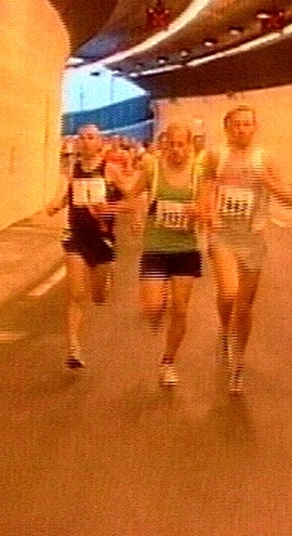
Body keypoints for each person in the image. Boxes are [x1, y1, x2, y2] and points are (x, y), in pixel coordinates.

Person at [198, 105, 292, 394]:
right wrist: (208, 214)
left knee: (245, 306)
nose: (242, 130)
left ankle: (238, 360)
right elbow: (204, 190)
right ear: (227, 128)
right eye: (236, 125)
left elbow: (289, 198)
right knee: (229, 292)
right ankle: (225, 330)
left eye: (247, 124)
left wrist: (267, 180)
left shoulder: (265, 159)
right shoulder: (216, 156)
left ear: (255, 128)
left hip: (252, 238)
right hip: (223, 234)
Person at [128, 123, 208, 387]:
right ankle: (157, 312)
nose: (176, 150)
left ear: (190, 146)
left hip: (185, 248)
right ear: (164, 145)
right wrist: (137, 215)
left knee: (180, 309)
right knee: (152, 308)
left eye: (181, 144)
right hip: (155, 247)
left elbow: (208, 211)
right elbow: (132, 194)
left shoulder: (199, 174)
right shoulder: (153, 169)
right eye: (171, 144)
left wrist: (198, 213)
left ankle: (168, 362)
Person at [46, 124, 131, 369]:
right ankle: (73, 347)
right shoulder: (72, 169)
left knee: (99, 297)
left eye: (91, 137)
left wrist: (111, 208)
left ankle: (106, 277)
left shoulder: (111, 170)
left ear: (99, 141)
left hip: (102, 237)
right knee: (76, 294)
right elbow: (66, 195)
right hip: (77, 236)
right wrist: (55, 206)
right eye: (82, 137)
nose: (86, 141)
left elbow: (133, 201)